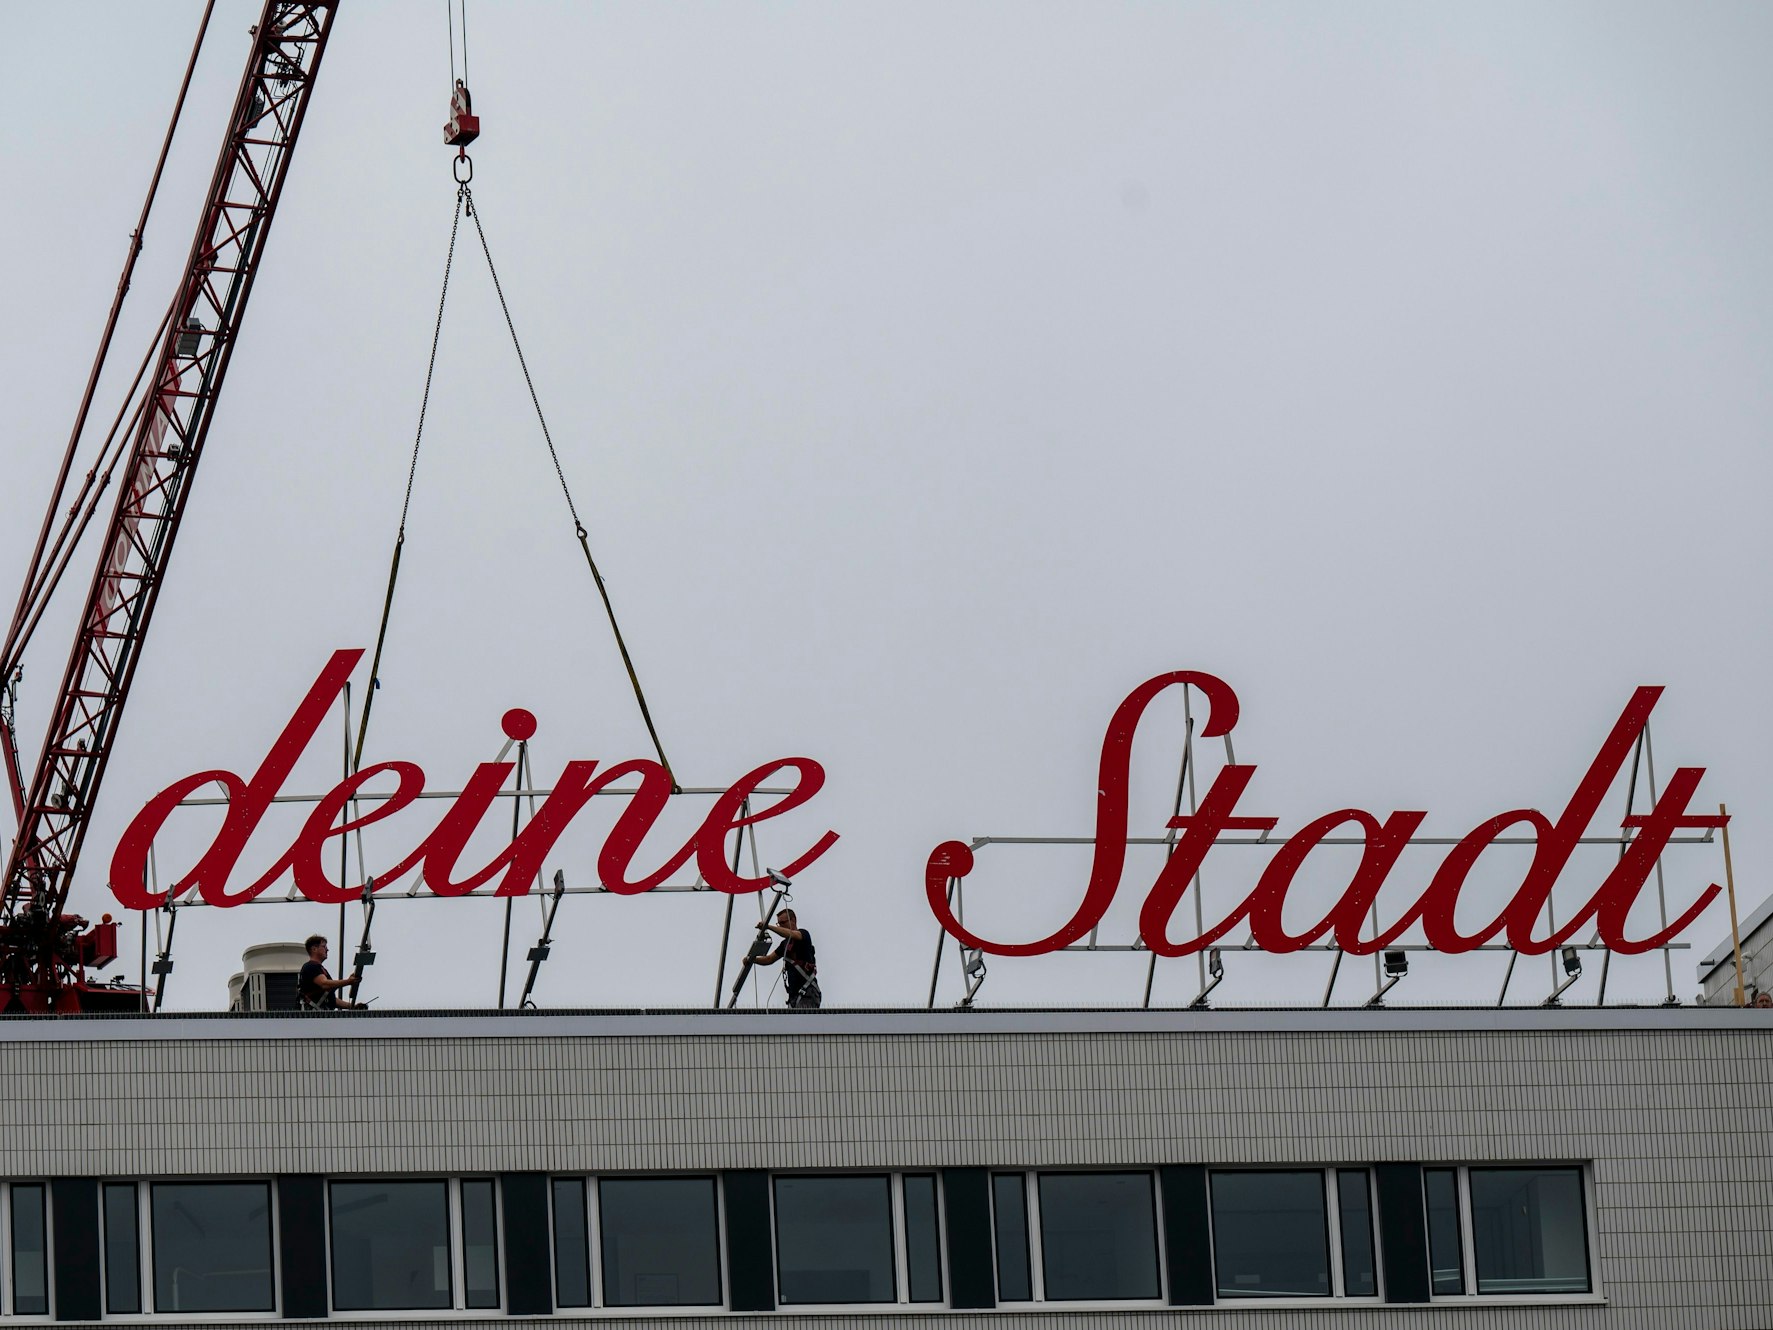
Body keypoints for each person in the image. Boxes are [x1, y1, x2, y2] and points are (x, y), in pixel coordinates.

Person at [750, 909, 820, 1008]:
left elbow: (792, 934)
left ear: (793, 920)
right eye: (779, 924)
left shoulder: (803, 934)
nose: (781, 926)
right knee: (793, 1022)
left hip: (807, 992)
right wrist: (751, 959)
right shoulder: (785, 944)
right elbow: (769, 959)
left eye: (783, 922)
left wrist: (768, 927)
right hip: (794, 996)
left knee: (803, 1021)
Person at [298, 935, 362, 1010]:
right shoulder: (310, 967)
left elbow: (330, 998)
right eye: (324, 946)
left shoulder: (319, 969)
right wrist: (348, 982)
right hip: (314, 1016)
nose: (327, 949)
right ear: (314, 949)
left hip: (320, 1015)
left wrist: (351, 1006)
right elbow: (324, 984)